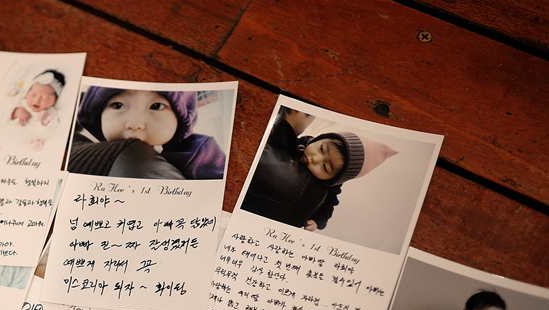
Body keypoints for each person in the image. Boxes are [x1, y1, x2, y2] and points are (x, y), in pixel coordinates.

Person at [240, 107, 398, 230]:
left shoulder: (330, 187)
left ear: (333, 179)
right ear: (321, 139)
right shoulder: (304, 142)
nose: (316, 158)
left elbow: (330, 204)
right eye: (322, 149)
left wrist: (318, 221)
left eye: (325, 167)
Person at [68, 86, 226, 180]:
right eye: (118, 105)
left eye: (156, 106)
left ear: (181, 119)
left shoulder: (198, 154)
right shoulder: (86, 150)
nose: (135, 124)